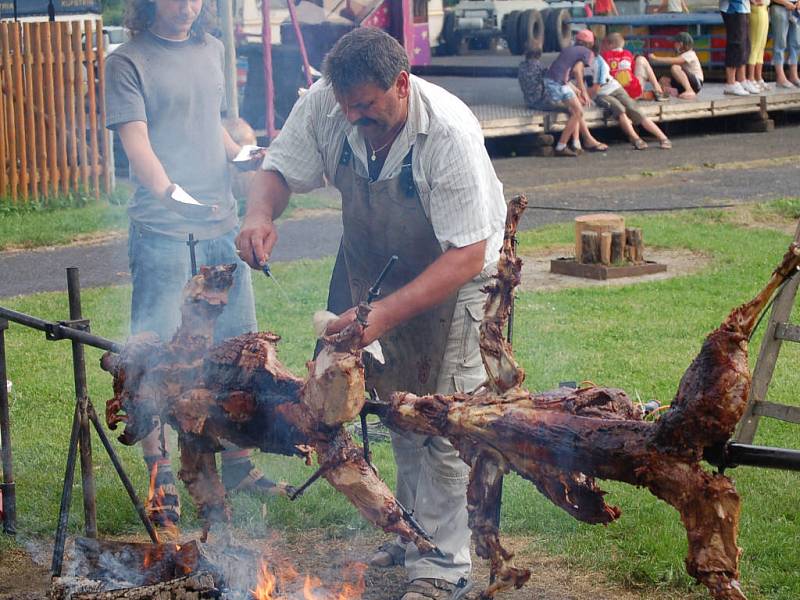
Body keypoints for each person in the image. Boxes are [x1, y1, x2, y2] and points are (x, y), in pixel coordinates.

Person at [236, 27, 506, 600]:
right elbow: (279, 169)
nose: (353, 116)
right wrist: (259, 214)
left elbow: (468, 253)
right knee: (393, 407)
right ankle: (416, 533)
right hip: (377, 270)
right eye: (345, 105)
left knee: (442, 417)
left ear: (401, 84)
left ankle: (445, 566)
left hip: (457, 276)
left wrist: (383, 314)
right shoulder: (329, 105)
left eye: (365, 105)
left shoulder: (448, 134)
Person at [105, 0, 287, 529]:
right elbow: (137, 146)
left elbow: (214, 130)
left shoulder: (212, 49)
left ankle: (237, 464)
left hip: (220, 229)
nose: (188, 7)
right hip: (163, 230)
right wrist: (172, 194)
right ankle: (160, 469)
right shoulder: (128, 61)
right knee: (156, 354)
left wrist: (245, 157)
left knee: (238, 350)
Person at [542, 29, 608, 156]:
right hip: (558, 85)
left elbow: (561, 70)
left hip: (553, 82)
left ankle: (575, 143)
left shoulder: (568, 49)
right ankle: (561, 146)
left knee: (575, 110)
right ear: (590, 44)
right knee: (578, 111)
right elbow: (578, 71)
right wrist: (584, 92)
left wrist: (575, 89)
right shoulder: (588, 53)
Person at [591, 54, 673, 149]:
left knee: (634, 109)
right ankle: (636, 139)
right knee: (620, 109)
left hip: (614, 87)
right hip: (602, 94)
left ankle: (663, 138)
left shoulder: (599, 61)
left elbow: (597, 85)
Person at [601, 33, 669, 100]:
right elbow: (632, 70)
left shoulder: (604, 56)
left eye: (603, 44)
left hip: (614, 93)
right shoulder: (627, 54)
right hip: (632, 93)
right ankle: (657, 89)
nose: (602, 46)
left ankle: (652, 92)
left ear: (610, 44)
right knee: (642, 59)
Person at [649, 32, 705, 99]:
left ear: (681, 44)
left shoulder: (690, 54)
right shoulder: (683, 54)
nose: (674, 45)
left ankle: (689, 90)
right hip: (689, 82)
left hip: (696, 83)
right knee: (663, 79)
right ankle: (674, 92)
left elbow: (674, 60)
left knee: (675, 67)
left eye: (676, 43)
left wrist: (655, 58)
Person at [719, 0, 755, 94]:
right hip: (732, 8)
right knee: (735, 44)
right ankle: (731, 82)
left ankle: (741, 79)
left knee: (744, 44)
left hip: (743, 7)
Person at [769, 0, 800, 87]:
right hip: (779, 6)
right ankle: (780, 77)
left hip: (796, 8)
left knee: (796, 43)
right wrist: (785, 3)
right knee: (780, 42)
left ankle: (794, 75)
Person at [746, 0, 770, 90]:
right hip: (757, 9)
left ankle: (758, 77)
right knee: (755, 45)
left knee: (761, 46)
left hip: (764, 8)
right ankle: (751, 78)